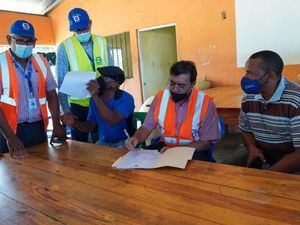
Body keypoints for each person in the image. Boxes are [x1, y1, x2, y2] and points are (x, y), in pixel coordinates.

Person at [125, 61, 220, 161]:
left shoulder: (206, 103)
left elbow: (205, 143)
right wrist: (136, 138)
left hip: (193, 151)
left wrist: (175, 151)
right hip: (165, 148)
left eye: (181, 86)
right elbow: (146, 128)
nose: (175, 89)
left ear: (193, 84)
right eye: (172, 83)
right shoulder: (160, 98)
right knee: (137, 163)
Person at [0, 20, 66, 158]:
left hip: (37, 128)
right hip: (8, 129)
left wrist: (56, 123)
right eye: (20, 40)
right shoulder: (1, 63)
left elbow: (51, 94)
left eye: (30, 41)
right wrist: (10, 137)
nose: (25, 45)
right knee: (11, 174)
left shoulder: (41, 61)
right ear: (9, 39)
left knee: (42, 169)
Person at [56, 7, 113, 142]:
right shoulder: (65, 47)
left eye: (84, 28)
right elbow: (61, 81)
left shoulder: (102, 42)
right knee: (81, 146)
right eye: (77, 30)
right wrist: (66, 111)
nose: (81, 32)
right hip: (79, 106)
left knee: (105, 141)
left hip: (103, 101)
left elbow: (112, 71)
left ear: (90, 23)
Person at [239, 50, 300, 173]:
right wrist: (252, 148)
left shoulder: (295, 101)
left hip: (290, 159)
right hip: (260, 153)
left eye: (250, 73)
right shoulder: (249, 97)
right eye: (245, 72)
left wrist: (268, 176)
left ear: (270, 76)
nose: (245, 77)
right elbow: (245, 130)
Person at [67, 66, 135, 148]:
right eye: (101, 77)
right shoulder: (94, 99)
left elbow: (112, 120)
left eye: (105, 79)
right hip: (102, 142)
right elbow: (91, 126)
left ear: (115, 83)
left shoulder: (126, 98)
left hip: (124, 142)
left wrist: (95, 96)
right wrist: (74, 123)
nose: (99, 81)